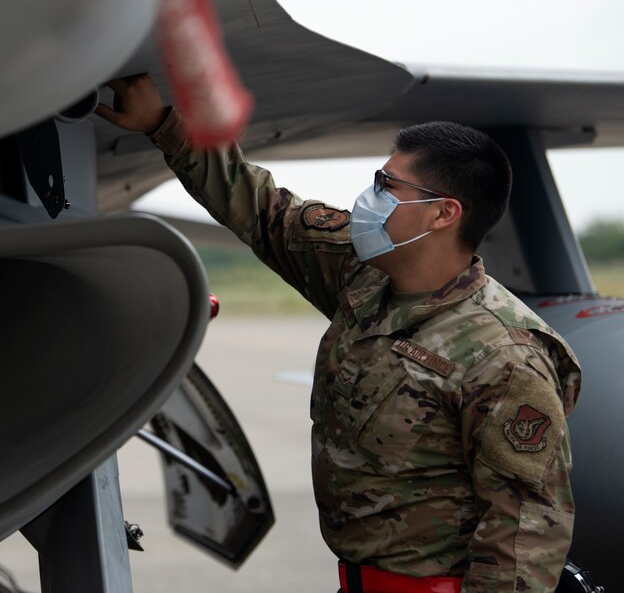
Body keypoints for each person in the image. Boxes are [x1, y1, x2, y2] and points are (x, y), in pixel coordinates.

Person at [97, 75, 581, 593]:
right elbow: (263, 209)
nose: (370, 197)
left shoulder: (505, 354)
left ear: (444, 213)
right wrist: (162, 125)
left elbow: (524, 537)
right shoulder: (364, 275)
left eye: (387, 186)